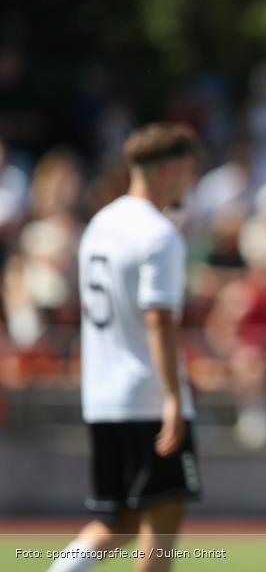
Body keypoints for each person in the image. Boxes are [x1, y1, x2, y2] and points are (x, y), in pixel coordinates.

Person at [48, 124, 202, 572]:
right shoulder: (160, 234)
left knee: (119, 522)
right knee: (163, 519)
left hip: (103, 397)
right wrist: (174, 398)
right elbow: (159, 319)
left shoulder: (100, 224)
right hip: (147, 399)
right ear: (170, 170)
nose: (190, 183)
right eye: (188, 172)